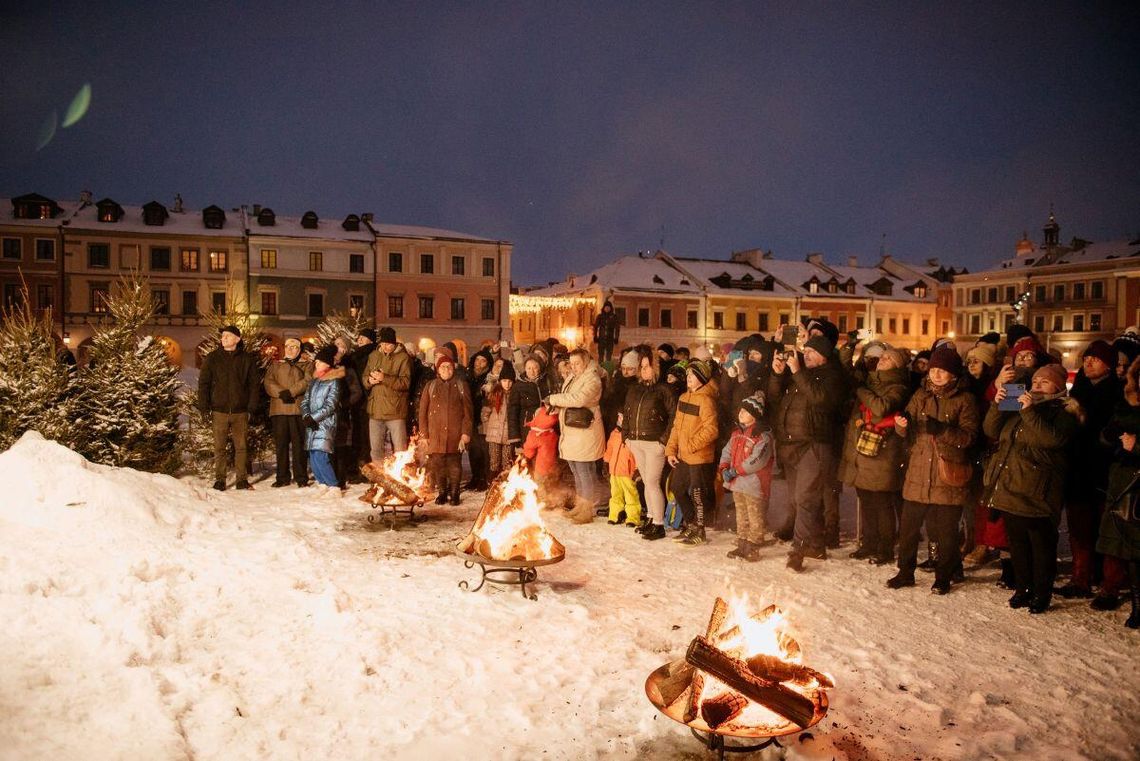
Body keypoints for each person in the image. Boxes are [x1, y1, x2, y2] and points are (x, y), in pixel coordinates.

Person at [984, 363, 1081, 613]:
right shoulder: (1018, 403)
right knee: (1017, 544)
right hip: (1011, 485)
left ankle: (1042, 593)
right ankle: (1023, 588)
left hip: (1039, 492)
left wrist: (1028, 411)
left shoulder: (1063, 412)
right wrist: (997, 404)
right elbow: (991, 429)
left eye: (1044, 382)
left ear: (1058, 387)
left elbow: (1051, 440)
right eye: (1035, 381)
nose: (1037, 385)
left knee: (1041, 547)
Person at [888, 344, 979, 594]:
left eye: (942, 370)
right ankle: (905, 572)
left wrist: (943, 430)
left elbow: (969, 437)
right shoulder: (921, 395)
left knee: (945, 532)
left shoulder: (965, 400)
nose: (936, 374)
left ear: (954, 374)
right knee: (908, 529)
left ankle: (944, 576)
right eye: (933, 369)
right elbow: (906, 432)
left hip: (947, 473)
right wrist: (902, 425)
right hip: (918, 472)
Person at [768, 335, 847, 570]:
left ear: (825, 356)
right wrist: (777, 374)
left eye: (813, 352)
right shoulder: (799, 375)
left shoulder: (833, 375)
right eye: (806, 350)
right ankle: (816, 545)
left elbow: (820, 399)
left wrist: (797, 371)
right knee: (799, 499)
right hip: (790, 445)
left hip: (814, 444)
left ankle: (798, 550)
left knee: (804, 498)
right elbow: (774, 399)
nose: (807, 355)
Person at [840, 346, 911, 564]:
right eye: (883, 357)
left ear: (897, 366)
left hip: (883, 454)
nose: (882, 359)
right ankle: (869, 543)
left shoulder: (898, 387)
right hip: (863, 450)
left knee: (882, 504)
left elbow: (881, 407)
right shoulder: (871, 382)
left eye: (888, 358)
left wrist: (861, 391)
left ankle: (885, 549)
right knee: (866, 501)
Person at [1097, 356, 1140, 628]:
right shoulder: (1124, 407)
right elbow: (1104, 439)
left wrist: (1137, 446)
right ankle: (1137, 606)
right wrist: (1110, 435)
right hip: (1124, 485)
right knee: (1131, 550)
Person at [546, 348, 606, 523]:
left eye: (577, 363)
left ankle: (588, 509)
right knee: (576, 470)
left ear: (586, 362)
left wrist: (554, 399)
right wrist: (556, 406)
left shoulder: (593, 379)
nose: (573, 367)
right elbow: (568, 397)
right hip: (573, 432)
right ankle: (581, 506)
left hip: (585, 433)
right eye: (571, 363)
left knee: (584, 472)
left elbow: (579, 399)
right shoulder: (573, 377)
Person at [198, 325, 262, 491]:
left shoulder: (247, 359)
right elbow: (204, 383)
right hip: (219, 410)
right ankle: (220, 480)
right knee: (219, 447)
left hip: (241, 412)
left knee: (241, 447)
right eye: (223, 336)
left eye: (227, 335)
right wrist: (204, 407)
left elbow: (254, 385)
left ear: (237, 339)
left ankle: (241, 480)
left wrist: (251, 408)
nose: (223, 338)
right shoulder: (213, 358)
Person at [622, 346, 676, 541]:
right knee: (646, 482)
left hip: (654, 443)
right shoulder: (634, 389)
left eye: (647, 366)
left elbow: (673, 416)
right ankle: (652, 518)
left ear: (655, 367)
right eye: (642, 367)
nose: (644, 370)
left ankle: (659, 524)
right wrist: (626, 437)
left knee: (652, 483)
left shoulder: (663, 389)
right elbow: (627, 413)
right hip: (636, 441)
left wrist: (663, 441)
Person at [665, 360, 720, 546]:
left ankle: (700, 530)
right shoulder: (683, 397)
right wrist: (671, 449)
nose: (688, 378)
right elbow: (676, 427)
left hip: (699, 457)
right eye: (687, 375)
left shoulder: (706, 400)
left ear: (702, 378)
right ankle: (691, 524)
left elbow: (711, 429)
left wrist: (691, 445)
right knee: (677, 488)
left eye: (692, 375)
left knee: (697, 494)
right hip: (683, 456)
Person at [719, 393, 775, 561]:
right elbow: (727, 451)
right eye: (741, 410)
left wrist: (736, 471)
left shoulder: (762, 436)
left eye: (746, 411)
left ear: (755, 415)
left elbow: (757, 460)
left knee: (755, 516)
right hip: (738, 484)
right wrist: (724, 467)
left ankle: (753, 546)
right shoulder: (736, 433)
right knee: (741, 514)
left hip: (754, 484)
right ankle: (742, 543)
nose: (741, 413)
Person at [417, 352, 473, 505]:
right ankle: (442, 492)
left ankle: (454, 493)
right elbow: (422, 413)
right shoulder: (430, 386)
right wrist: (424, 435)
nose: (446, 369)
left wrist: (465, 434)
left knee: (454, 465)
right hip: (435, 434)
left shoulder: (461, 385)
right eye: (443, 367)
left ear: (453, 368)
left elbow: (468, 413)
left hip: (455, 435)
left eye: (449, 367)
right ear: (437, 369)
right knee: (438, 464)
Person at [263, 337, 311, 487]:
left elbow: (307, 381)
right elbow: (268, 382)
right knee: (281, 446)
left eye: (294, 347)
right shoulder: (275, 365)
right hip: (279, 410)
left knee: (299, 446)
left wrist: (291, 392)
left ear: (299, 350)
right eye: (288, 346)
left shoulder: (307, 365)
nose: (290, 349)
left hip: (297, 410)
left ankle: (301, 477)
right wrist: (281, 393)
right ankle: (282, 477)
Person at [363, 326, 411, 461]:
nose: (385, 347)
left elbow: (405, 383)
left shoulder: (403, 358)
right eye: (383, 344)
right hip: (375, 410)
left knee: (400, 450)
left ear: (394, 344)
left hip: (395, 410)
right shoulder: (373, 356)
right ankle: (378, 473)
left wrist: (384, 378)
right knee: (376, 450)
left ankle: (401, 472)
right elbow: (365, 376)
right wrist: (369, 380)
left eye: (388, 344)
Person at [300, 345, 342, 492]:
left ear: (327, 364)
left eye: (319, 361)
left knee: (321, 455)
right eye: (316, 361)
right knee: (312, 454)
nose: (316, 364)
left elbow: (331, 404)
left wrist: (314, 417)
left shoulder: (333, 381)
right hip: (311, 423)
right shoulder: (314, 381)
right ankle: (322, 483)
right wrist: (306, 416)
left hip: (325, 423)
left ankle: (333, 485)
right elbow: (305, 401)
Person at [332, 336, 365, 489]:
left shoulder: (349, 369)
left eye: (341, 345)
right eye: (336, 344)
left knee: (340, 446)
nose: (338, 348)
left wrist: (344, 404)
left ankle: (340, 478)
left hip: (341, 413)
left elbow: (356, 392)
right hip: (326, 414)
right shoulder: (325, 367)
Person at [465, 348, 495, 491]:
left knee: (484, 449)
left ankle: (484, 478)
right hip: (470, 416)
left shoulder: (488, 379)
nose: (479, 363)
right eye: (477, 359)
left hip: (483, 418)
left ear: (487, 364)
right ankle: (475, 477)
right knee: (473, 449)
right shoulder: (468, 375)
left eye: (483, 361)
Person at [481, 362, 516, 479]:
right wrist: (487, 426)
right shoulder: (494, 393)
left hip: (508, 435)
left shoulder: (514, 395)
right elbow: (486, 412)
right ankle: (492, 483)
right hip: (494, 434)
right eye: (505, 381)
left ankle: (505, 485)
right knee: (494, 461)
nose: (507, 384)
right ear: (500, 381)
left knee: (507, 462)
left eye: (510, 381)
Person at [348, 329, 376, 472]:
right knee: (357, 434)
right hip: (356, 400)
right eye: (359, 337)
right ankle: (357, 465)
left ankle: (365, 466)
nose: (359, 340)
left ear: (370, 340)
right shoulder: (354, 356)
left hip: (367, 400)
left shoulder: (372, 355)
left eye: (363, 337)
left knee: (365, 436)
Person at [603, 415, 640, 526]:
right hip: (614, 471)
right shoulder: (614, 433)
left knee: (631, 495)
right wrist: (606, 461)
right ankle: (615, 515)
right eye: (619, 417)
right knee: (615, 494)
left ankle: (633, 518)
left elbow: (638, 454)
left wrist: (637, 469)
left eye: (622, 417)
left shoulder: (634, 435)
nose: (620, 420)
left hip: (627, 472)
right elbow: (610, 449)